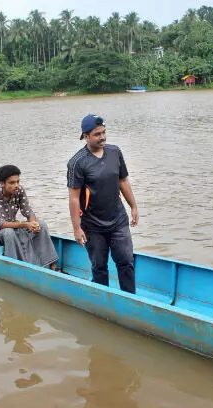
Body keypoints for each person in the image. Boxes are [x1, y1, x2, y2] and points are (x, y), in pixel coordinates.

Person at [66, 114, 139, 293]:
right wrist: (76, 228)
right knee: (99, 266)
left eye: (104, 132)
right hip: (92, 225)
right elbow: (74, 198)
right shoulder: (77, 163)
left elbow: (123, 181)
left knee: (126, 262)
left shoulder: (115, 152)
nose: (103, 137)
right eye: (97, 134)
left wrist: (133, 206)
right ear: (86, 136)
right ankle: (102, 300)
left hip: (118, 220)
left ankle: (130, 299)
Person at [0, 164, 59, 270]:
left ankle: (50, 264)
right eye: (12, 183)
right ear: (2, 183)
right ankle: (17, 267)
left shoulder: (19, 191)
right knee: (9, 232)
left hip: (15, 226)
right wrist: (26, 225)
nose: (16, 185)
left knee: (41, 224)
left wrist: (33, 223)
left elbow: (28, 212)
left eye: (18, 182)